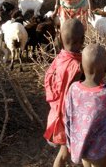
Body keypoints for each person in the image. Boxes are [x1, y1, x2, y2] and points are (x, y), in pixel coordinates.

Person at [64, 44, 106, 167]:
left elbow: (67, 116)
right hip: (100, 149)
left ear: (80, 67)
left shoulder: (73, 89)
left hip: (81, 146)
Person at [43, 19, 85, 167]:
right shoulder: (79, 66)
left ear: (60, 38)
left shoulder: (59, 58)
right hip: (70, 121)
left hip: (57, 115)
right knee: (70, 155)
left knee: (63, 154)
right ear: (83, 40)